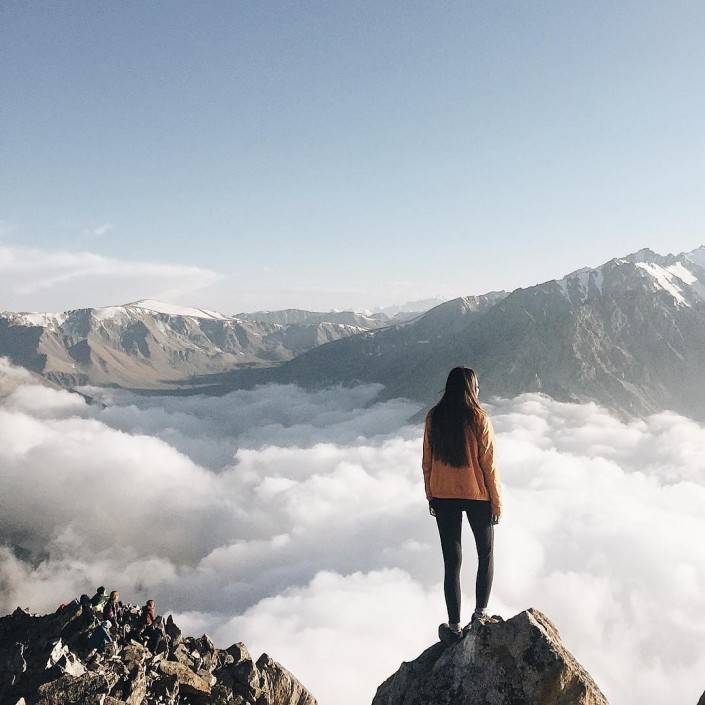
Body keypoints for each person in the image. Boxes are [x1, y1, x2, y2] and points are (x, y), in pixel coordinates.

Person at [422, 366, 502, 643]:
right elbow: (489, 464)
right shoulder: (479, 418)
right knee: (485, 554)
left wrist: (431, 494)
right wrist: (496, 502)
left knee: (452, 562)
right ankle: (480, 615)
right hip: (477, 494)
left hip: (443, 495)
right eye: (477, 385)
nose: (479, 389)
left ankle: (454, 627)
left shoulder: (434, 417)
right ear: (471, 388)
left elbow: (427, 461)